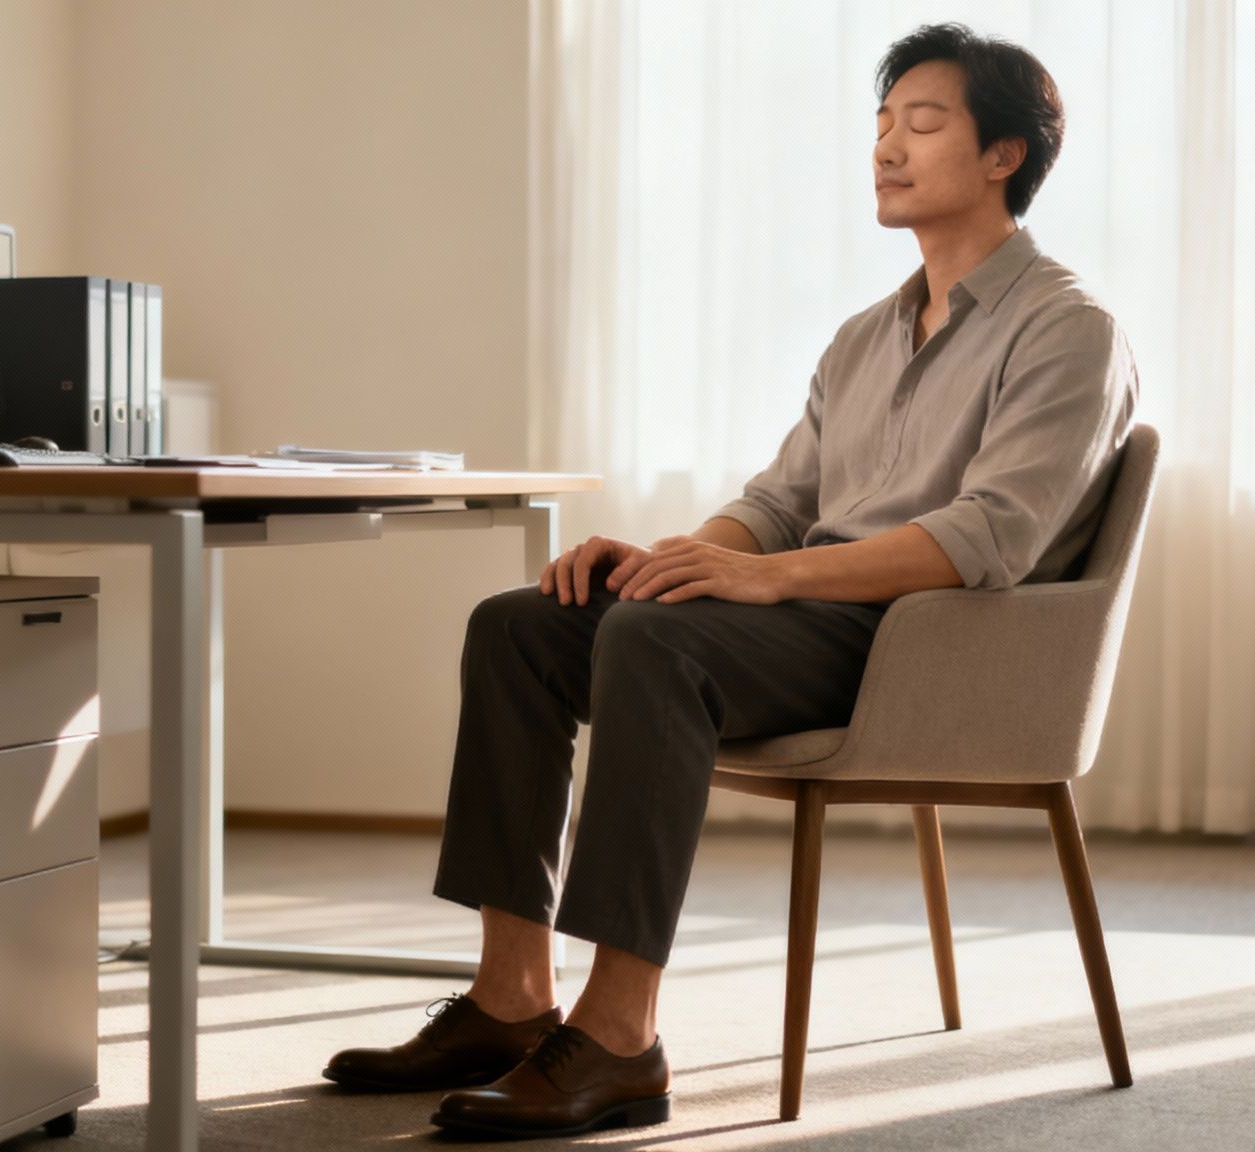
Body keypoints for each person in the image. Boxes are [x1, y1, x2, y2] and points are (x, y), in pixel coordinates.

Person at [323, 21, 1139, 1139]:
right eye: (880, 125)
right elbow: (773, 505)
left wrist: (766, 583)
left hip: (918, 643)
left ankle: (620, 1038)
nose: (885, 149)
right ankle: (510, 1000)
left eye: (922, 123)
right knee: (525, 621)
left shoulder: (1067, 327)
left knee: (652, 642)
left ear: (1003, 154)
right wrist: (667, 558)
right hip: (810, 611)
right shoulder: (865, 336)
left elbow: (987, 537)